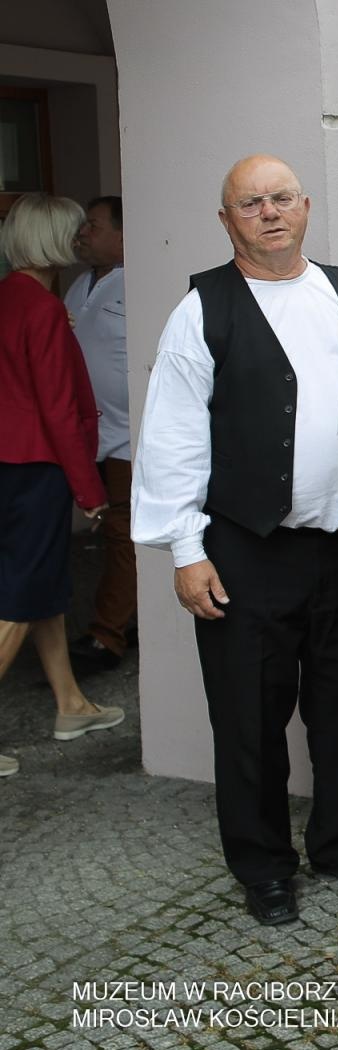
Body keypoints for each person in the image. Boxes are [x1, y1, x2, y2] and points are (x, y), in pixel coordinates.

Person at [131, 155, 338, 926]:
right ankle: (263, 865)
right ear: (227, 221)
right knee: (248, 718)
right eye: (250, 203)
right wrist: (184, 548)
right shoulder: (203, 308)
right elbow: (172, 437)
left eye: (280, 199)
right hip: (243, 549)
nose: (269, 212)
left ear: (306, 206)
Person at [0, 193, 120, 781]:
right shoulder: (44, 310)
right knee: (21, 597)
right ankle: (70, 705)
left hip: (8, 465)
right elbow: (57, 408)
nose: (80, 242)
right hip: (34, 470)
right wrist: (89, 490)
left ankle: (70, 705)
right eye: (73, 234)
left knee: (40, 587)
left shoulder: (10, 298)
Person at [63, 196, 135, 674]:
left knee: (121, 535)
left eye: (92, 224)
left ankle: (107, 634)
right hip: (90, 435)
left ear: (122, 233)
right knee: (110, 532)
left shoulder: (140, 282)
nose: (83, 233)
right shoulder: (78, 286)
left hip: (129, 437)